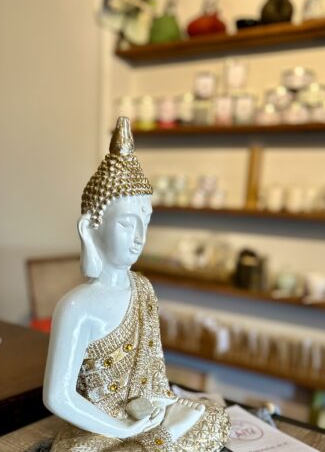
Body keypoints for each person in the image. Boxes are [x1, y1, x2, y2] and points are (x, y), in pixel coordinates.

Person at [43, 117, 230, 451]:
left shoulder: (142, 288)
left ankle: (160, 438)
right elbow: (58, 397)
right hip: (98, 429)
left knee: (214, 417)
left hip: (142, 417)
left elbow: (153, 376)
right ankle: (162, 440)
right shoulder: (76, 305)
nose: (140, 237)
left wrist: (160, 407)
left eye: (146, 222)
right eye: (127, 224)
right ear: (90, 228)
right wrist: (122, 428)